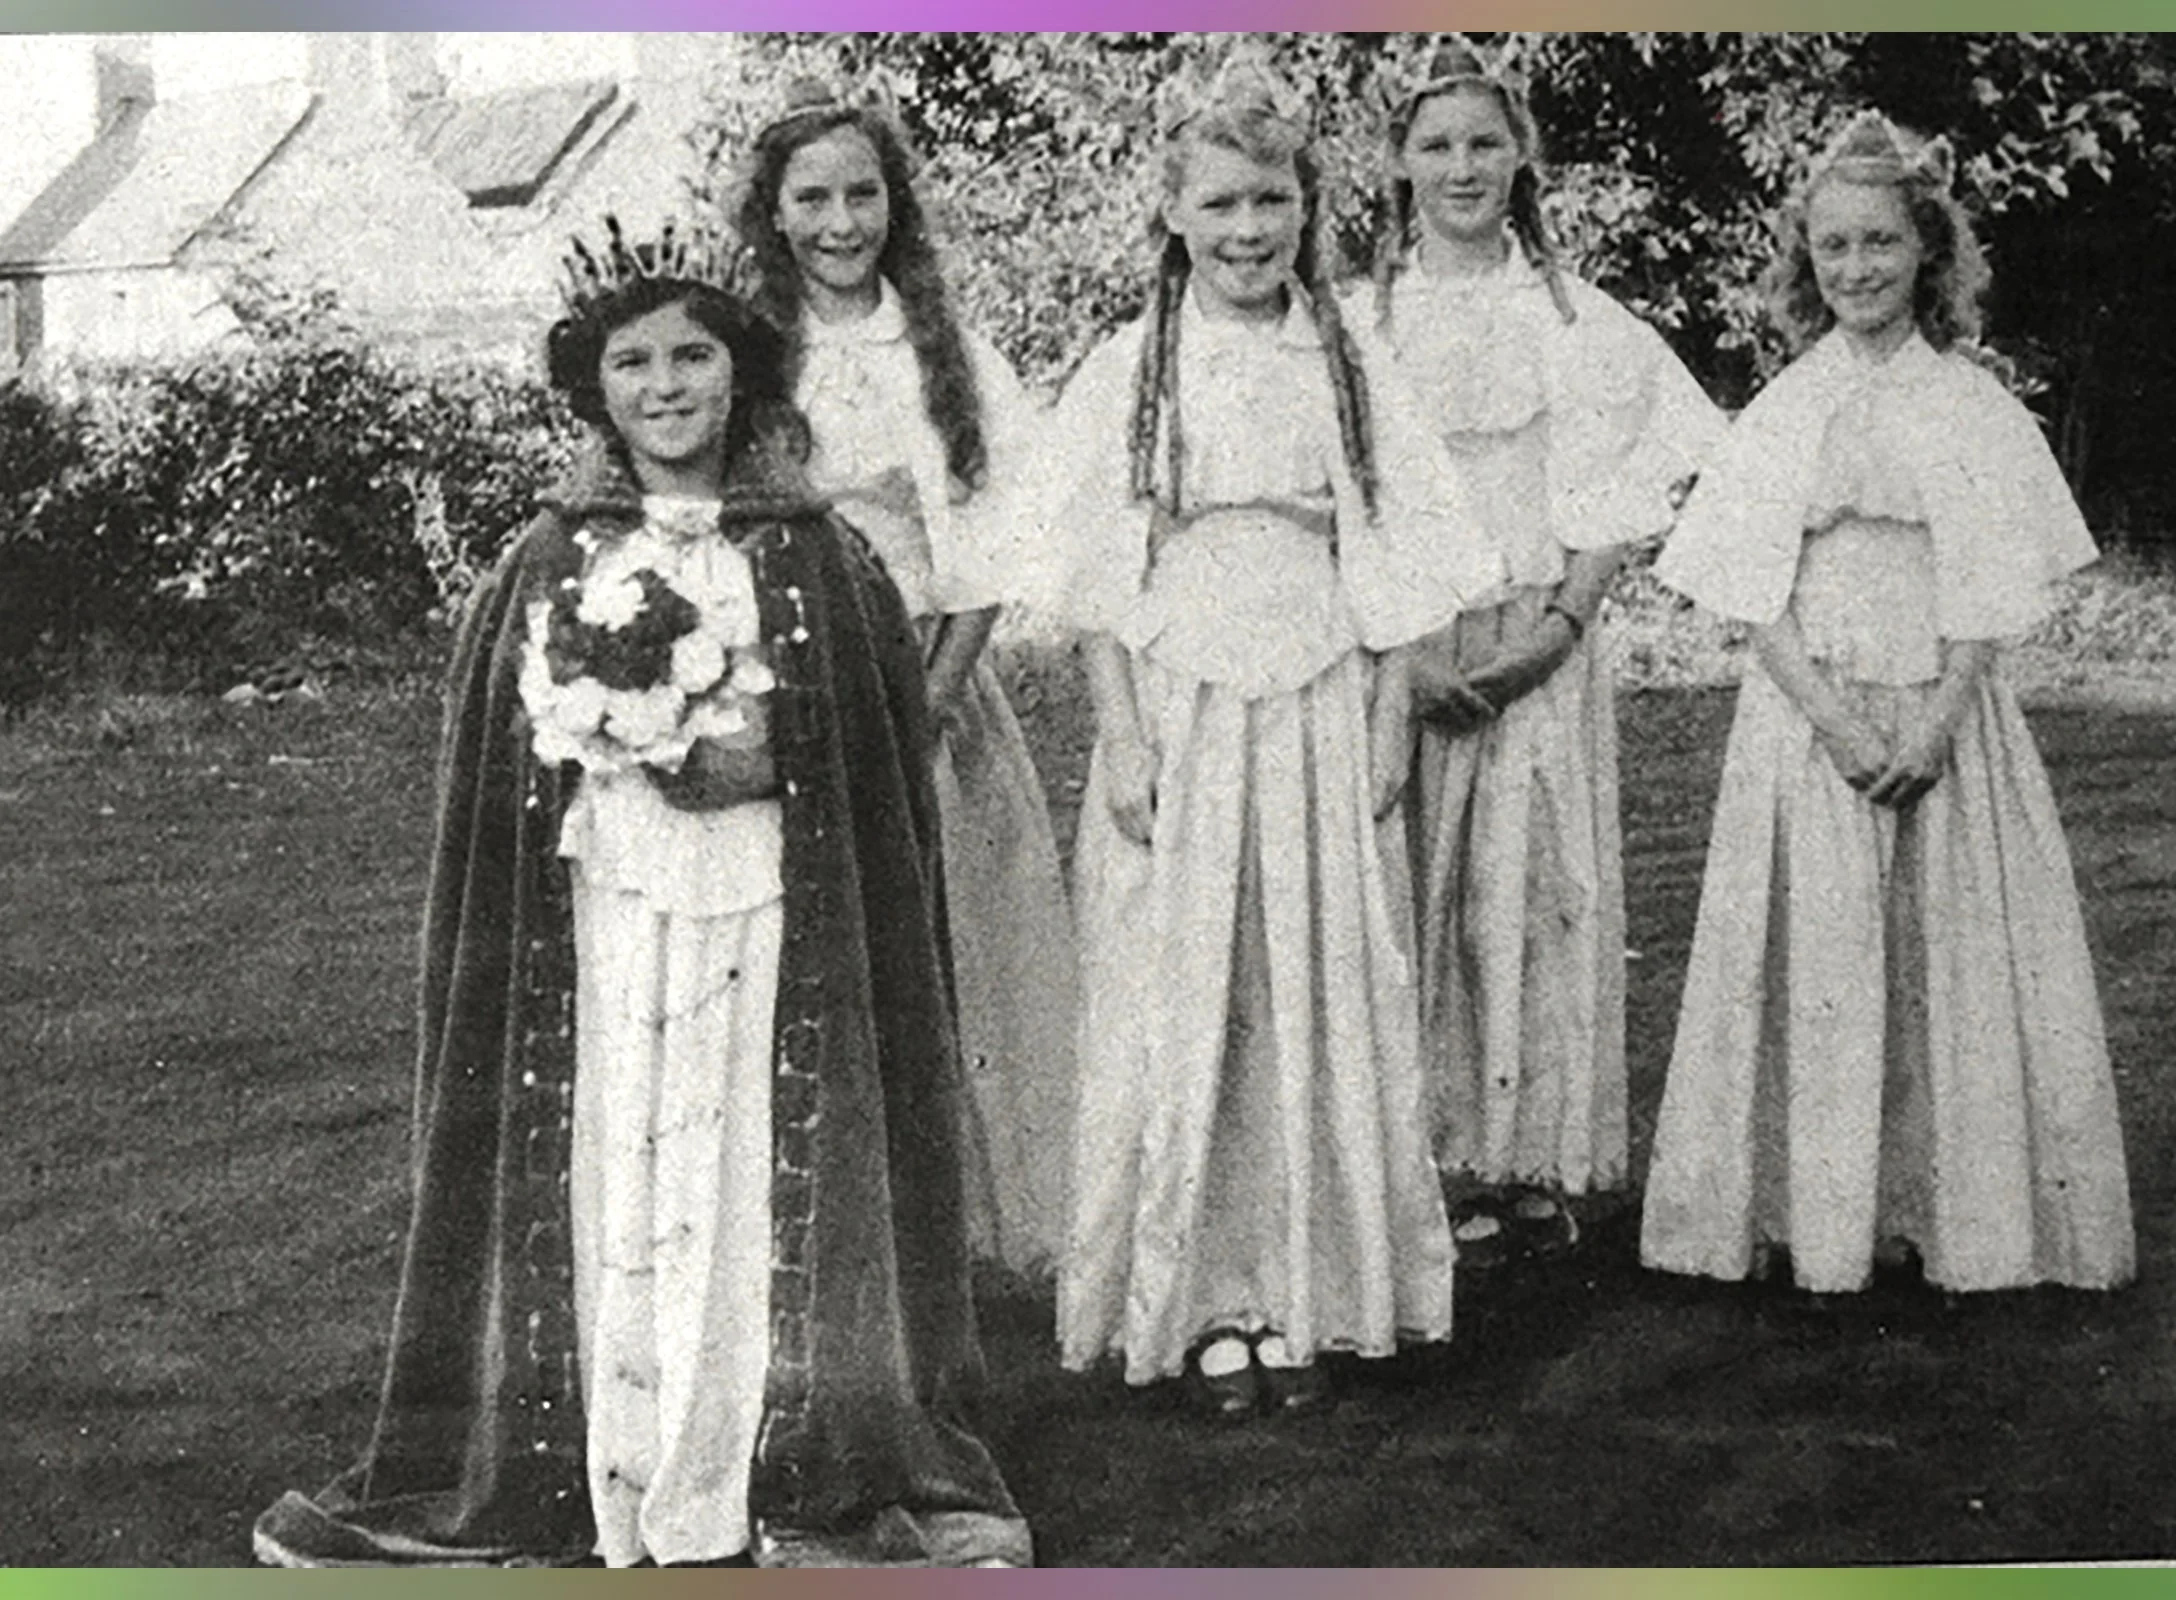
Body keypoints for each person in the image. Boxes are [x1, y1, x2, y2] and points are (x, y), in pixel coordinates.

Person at [252, 218, 1032, 1568]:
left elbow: (874, 739)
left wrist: (770, 758)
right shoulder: (548, 557)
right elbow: (498, 784)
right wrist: (615, 739)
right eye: (634, 364)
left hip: (765, 913)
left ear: (743, 376)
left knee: (743, 1157)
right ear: (594, 389)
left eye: (693, 356)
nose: (667, 386)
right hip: (607, 918)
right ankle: (609, 1463)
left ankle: (763, 1467)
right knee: (624, 1152)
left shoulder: (819, 554)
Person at [1034, 52, 1503, 1419]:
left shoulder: (1348, 358)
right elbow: (1096, 584)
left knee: (1315, 992)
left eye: (1275, 205)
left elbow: (1401, 557)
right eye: (1224, 205)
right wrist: (1120, 736)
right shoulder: (1131, 366)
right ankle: (1197, 1305)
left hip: (1313, 704)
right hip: (1180, 710)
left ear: (1310, 208)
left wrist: (1387, 715)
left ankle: (1307, 1296)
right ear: (1176, 214)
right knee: (1183, 998)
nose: (1250, 233)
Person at [1638, 113, 2137, 1296]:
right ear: (1804, 263)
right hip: (1812, 721)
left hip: (1944, 716)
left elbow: (1989, 589)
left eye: (1880, 243)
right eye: (1833, 248)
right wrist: (1836, 720)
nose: (1856, 269)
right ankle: (1822, 1220)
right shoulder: (1782, 411)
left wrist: (1935, 721)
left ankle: (1956, 1215)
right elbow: (1755, 602)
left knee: (1947, 959)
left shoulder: (1971, 406)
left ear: (1929, 250)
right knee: (1821, 960)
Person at [1352, 37, 1725, 1269]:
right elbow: (1340, 503)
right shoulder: (1361, 321)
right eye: (1436, 144)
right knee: (1418, 902)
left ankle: (1527, 1158)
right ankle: (1429, 1162)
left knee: (1530, 896)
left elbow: (1629, 481)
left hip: (1539, 640)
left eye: (1484, 142)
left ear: (1523, 156)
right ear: (1398, 162)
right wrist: (1406, 652)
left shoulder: (1575, 316)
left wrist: (1559, 626)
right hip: (1405, 648)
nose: (1462, 168)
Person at [733, 78, 1079, 1280]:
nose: (842, 221)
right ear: (773, 214)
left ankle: (971, 1231)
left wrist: (930, 699)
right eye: (813, 196)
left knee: (963, 950)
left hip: (937, 688)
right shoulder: (750, 358)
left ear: (895, 202)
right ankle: (834, 1237)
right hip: (793, 692)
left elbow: (1000, 544)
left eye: (863, 192)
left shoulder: (950, 352)